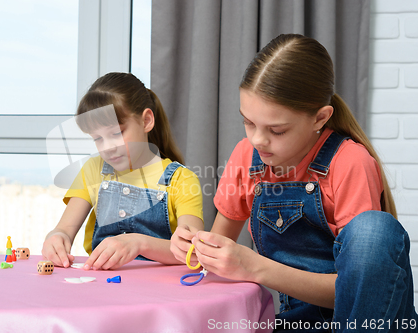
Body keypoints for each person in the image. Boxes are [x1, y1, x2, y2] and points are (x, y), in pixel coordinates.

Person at [171, 34, 417, 332]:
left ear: (320, 118)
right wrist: (193, 247)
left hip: (370, 321)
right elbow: (215, 249)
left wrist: (253, 267)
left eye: (277, 130)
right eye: (248, 122)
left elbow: (359, 292)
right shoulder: (246, 156)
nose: (257, 139)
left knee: (373, 230)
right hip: (298, 323)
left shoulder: (350, 162)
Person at [43, 72, 204, 270]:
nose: (107, 147)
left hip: (161, 293)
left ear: (146, 121)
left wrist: (139, 243)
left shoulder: (181, 179)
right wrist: (56, 237)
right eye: (98, 139)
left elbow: (193, 251)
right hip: (102, 286)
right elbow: (64, 229)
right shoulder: (93, 170)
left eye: (116, 133)